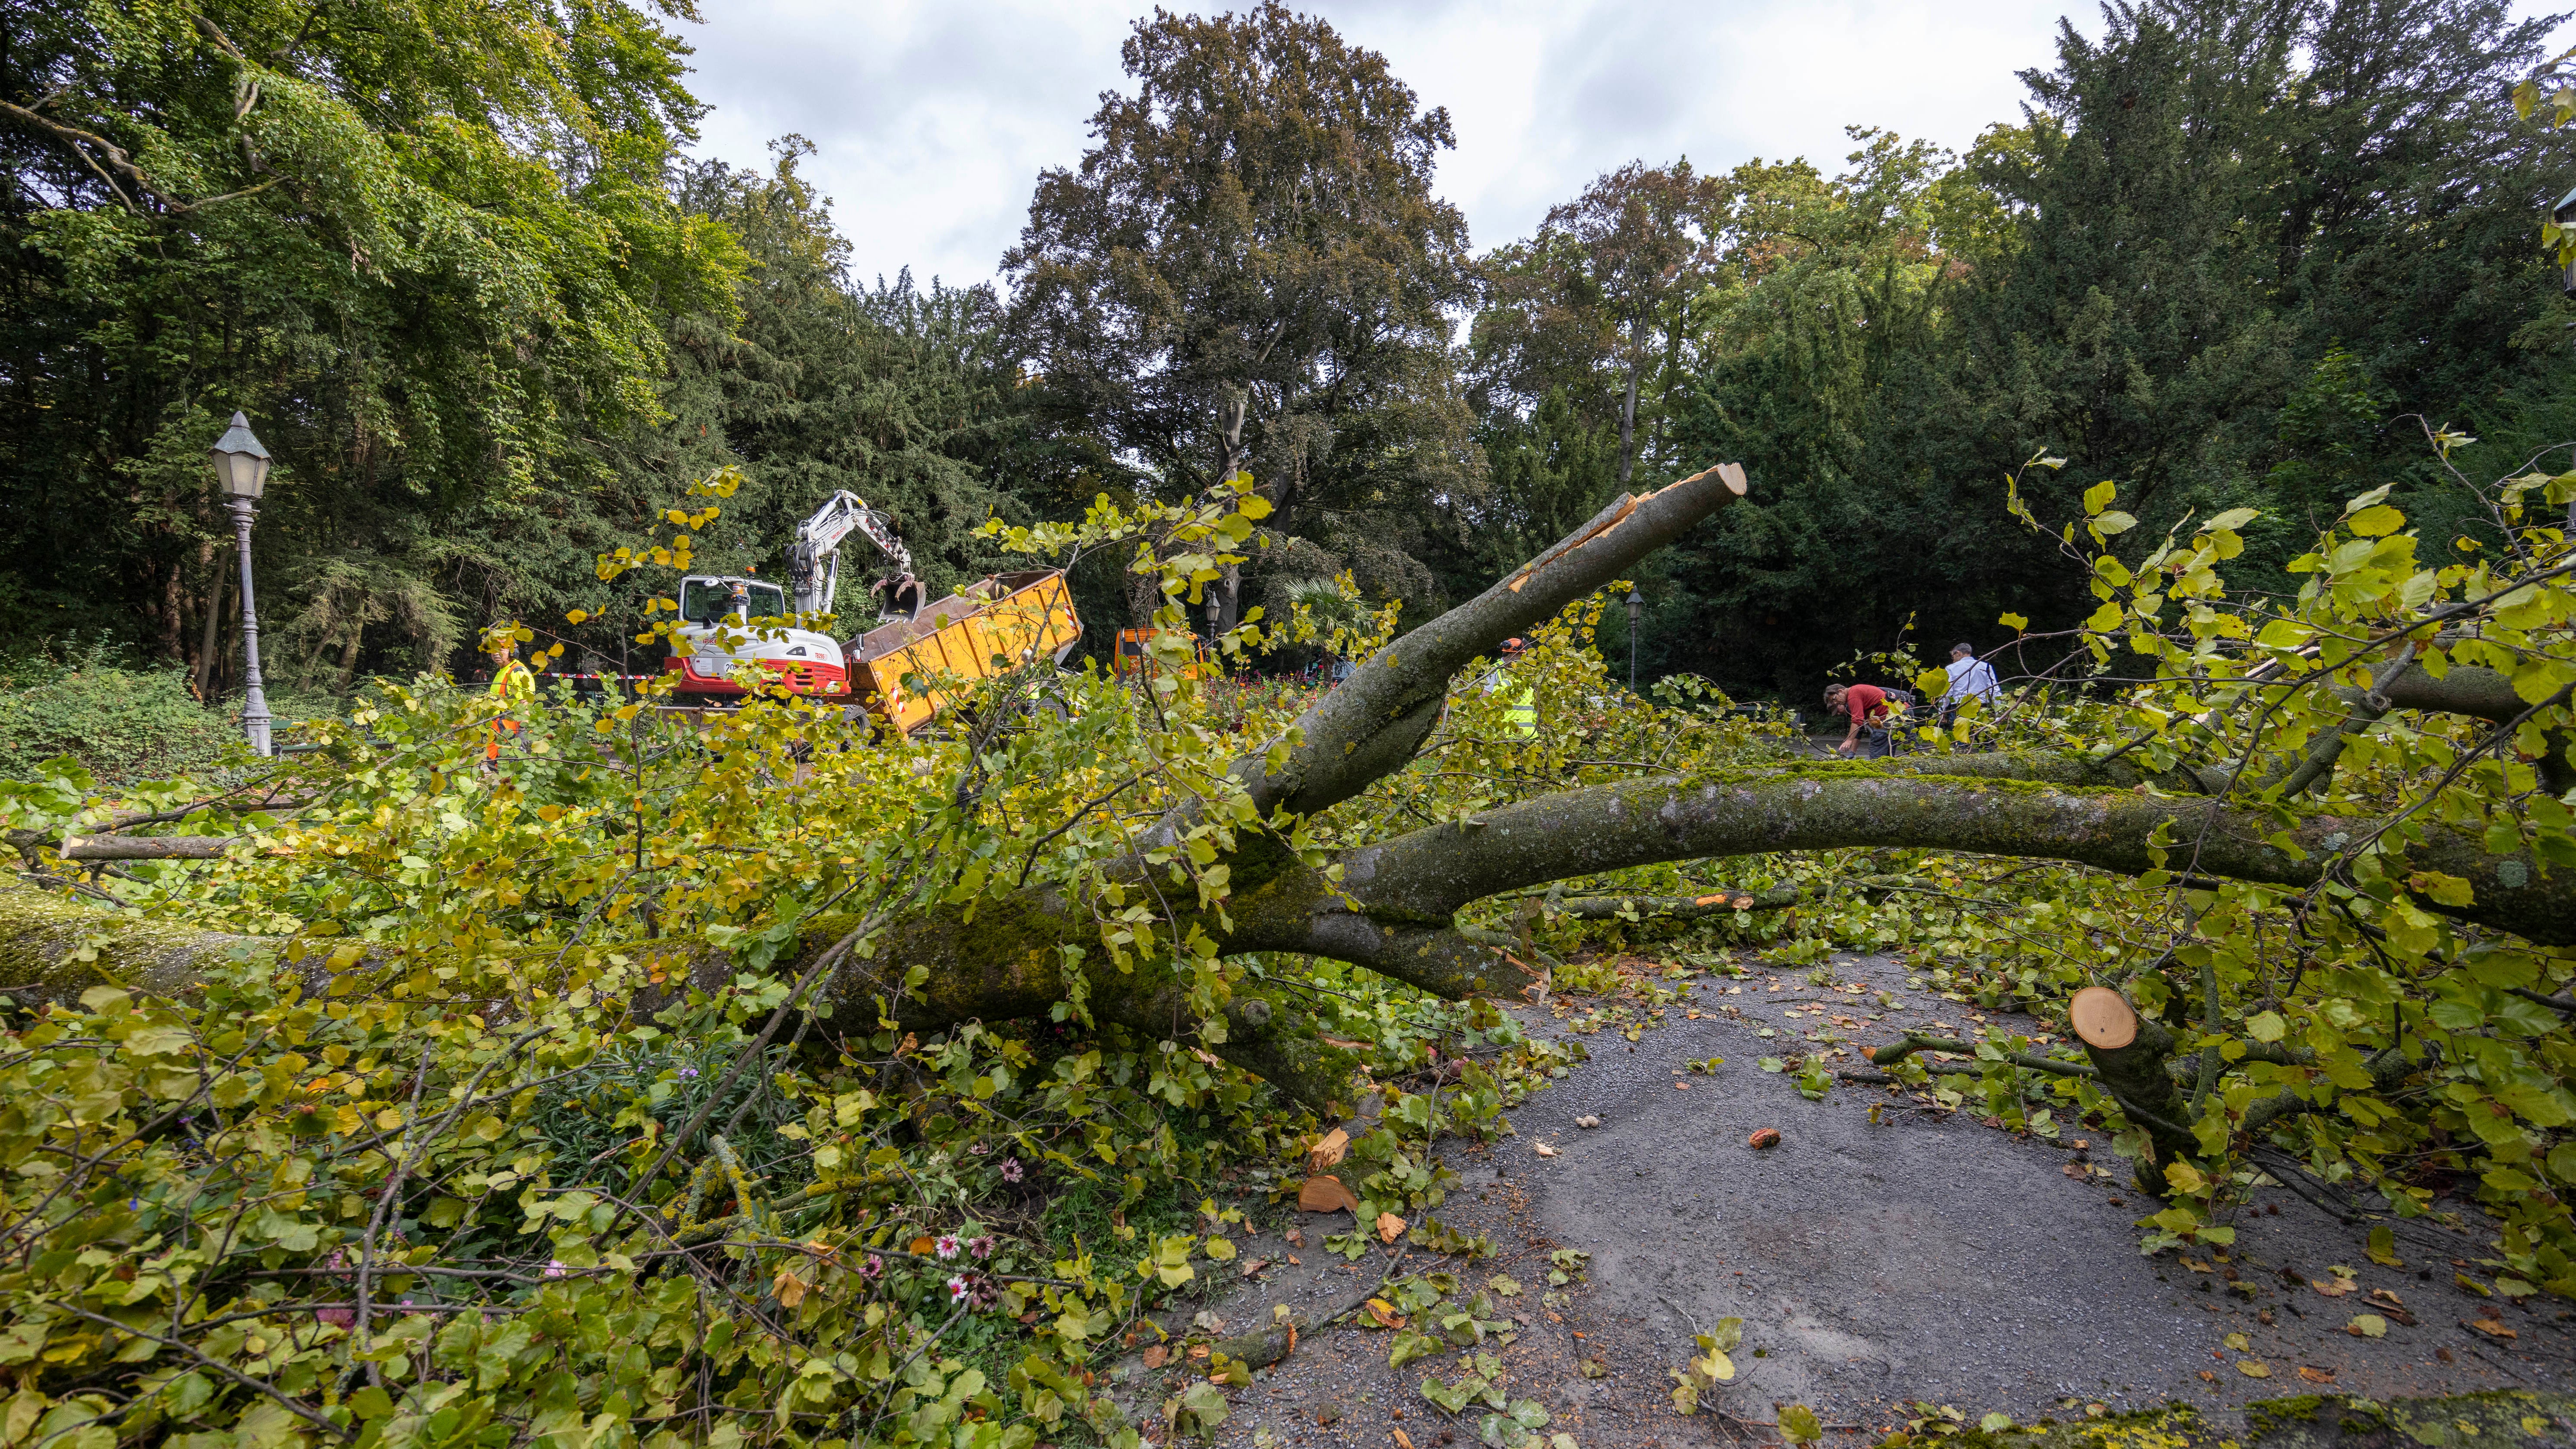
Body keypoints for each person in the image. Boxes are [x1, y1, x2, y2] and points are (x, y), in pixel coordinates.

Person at [485, 642, 535, 763]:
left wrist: (523, 731)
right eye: (493, 649)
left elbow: (526, 703)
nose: (496, 653)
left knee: (512, 769)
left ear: (513, 652)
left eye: (501, 649)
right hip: (500, 731)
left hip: (513, 732)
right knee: (494, 765)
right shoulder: (503, 671)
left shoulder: (518, 672)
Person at [1823, 681, 1892, 757]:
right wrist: (1852, 753)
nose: (1836, 702)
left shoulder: (1853, 696)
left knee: (1877, 755)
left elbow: (1857, 721)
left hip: (1890, 717)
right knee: (1889, 756)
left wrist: (1849, 740)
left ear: (1840, 691)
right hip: (1897, 715)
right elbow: (1860, 727)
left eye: (1834, 699)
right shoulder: (1855, 691)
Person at [1939, 642, 2001, 726]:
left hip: (1959, 708)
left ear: (1958, 653)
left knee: (1961, 737)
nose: (1953, 660)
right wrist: (1999, 713)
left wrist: (1941, 712)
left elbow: (1947, 692)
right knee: (1981, 735)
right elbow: (1994, 690)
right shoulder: (1985, 666)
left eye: (1953, 657)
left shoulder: (1951, 669)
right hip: (1981, 707)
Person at [1488, 638, 1538, 739]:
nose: (1522, 659)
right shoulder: (1495, 671)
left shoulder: (1523, 671)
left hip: (1526, 734)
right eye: (1521, 656)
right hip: (1505, 734)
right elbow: (1486, 699)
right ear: (1513, 655)